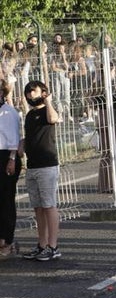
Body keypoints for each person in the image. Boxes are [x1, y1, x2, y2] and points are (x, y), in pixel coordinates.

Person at [21, 81, 62, 261]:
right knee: (38, 207)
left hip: (47, 165)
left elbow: (54, 119)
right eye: (28, 91)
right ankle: (42, 244)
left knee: (49, 205)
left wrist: (48, 102)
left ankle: (53, 246)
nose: (31, 94)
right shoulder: (30, 115)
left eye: (34, 90)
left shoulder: (47, 111)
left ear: (43, 92)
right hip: (32, 165)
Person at [0, 80, 21, 258]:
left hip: (7, 156)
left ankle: (7, 239)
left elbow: (14, 137)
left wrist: (12, 159)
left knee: (6, 199)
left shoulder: (8, 112)